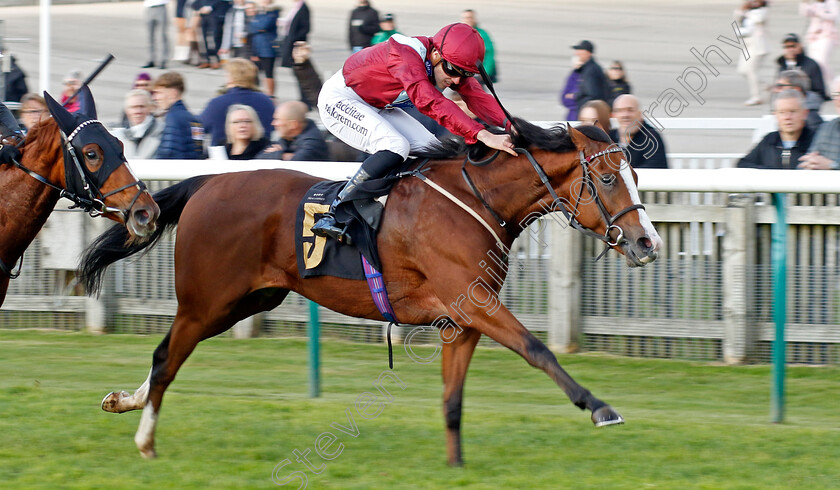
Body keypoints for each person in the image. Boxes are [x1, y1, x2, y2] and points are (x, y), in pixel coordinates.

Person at [312, 22, 516, 242]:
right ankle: (335, 212)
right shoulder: (405, 55)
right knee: (396, 146)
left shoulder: (444, 61)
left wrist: (512, 126)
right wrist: (483, 134)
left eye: (464, 74)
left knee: (434, 149)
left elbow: (477, 97)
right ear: (436, 53)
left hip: (376, 104)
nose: (456, 80)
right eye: (453, 71)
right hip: (340, 100)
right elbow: (432, 103)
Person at [200, 57, 275, 146]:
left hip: (223, 155)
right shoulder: (266, 102)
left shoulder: (216, 103)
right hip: (260, 154)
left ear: (231, 77)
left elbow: (199, 127)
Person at [738, 90, 816, 169]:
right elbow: (743, 165)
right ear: (775, 115)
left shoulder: (816, 141)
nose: (787, 117)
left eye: (793, 111)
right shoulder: (769, 140)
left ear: (805, 113)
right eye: (782, 112)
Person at [152, 71, 205, 159]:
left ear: (173, 93)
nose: (155, 98)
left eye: (159, 92)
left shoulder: (173, 118)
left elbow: (168, 152)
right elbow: (199, 152)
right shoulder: (194, 120)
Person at [257, 100, 329, 161]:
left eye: (277, 119)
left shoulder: (313, 143)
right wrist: (284, 155)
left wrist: (279, 153)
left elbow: (296, 162)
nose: (273, 123)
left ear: (293, 125)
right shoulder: (287, 137)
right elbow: (260, 157)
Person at [609, 94, 668, 169]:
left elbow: (654, 171)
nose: (625, 115)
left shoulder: (652, 139)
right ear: (614, 115)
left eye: (630, 110)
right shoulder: (610, 137)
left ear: (639, 114)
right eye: (620, 111)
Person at [799, 76, 840, 169]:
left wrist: (832, 165)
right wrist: (810, 163)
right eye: (836, 95)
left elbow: (828, 164)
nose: (839, 100)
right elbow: (809, 161)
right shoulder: (826, 128)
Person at [111, 89, 164, 159]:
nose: (137, 111)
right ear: (126, 110)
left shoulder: (163, 132)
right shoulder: (117, 137)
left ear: (150, 108)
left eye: (142, 106)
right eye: (133, 107)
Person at [734, 0, 768, 106]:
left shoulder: (763, 11)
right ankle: (765, 86)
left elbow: (759, 19)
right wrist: (742, 9)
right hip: (747, 46)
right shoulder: (748, 11)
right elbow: (736, 16)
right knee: (742, 70)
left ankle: (756, 97)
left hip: (757, 47)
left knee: (751, 71)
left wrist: (747, 13)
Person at [776, 33, 829, 101]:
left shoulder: (811, 65)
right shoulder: (782, 65)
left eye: (793, 46)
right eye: (787, 47)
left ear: (800, 46)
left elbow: (819, 91)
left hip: (807, 102)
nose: (791, 49)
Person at [800, 0, 839, 89]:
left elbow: (835, 16)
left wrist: (820, 13)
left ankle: (834, 87)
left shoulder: (832, 2)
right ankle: (819, 88)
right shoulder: (814, 4)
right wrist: (804, 3)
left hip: (828, 35)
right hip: (814, 36)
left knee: (822, 61)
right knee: (813, 63)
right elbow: (805, 12)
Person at [278, 0, 311, 103]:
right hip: (290, 42)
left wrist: (296, 41)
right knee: (297, 73)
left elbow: (305, 28)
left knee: (300, 72)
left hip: (295, 45)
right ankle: (303, 97)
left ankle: (305, 98)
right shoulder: (296, 7)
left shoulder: (303, 8)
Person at [248, 0, 280, 95]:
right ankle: (255, 91)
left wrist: (257, 25)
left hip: (268, 47)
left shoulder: (273, 11)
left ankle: (271, 95)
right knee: (253, 72)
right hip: (256, 46)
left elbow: (264, 25)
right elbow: (253, 26)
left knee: (268, 73)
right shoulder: (260, 12)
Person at [571, 40, 609, 115]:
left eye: (580, 50)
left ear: (588, 53)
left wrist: (576, 96)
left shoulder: (590, 70)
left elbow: (592, 94)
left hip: (591, 114)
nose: (576, 53)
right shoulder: (589, 68)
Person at [461, 9, 497, 83]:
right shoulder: (459, 34)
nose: (468, 20)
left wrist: (485, 72)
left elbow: (489, 53)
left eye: (470, 17)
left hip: (478, 72)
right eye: (466, 18)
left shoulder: (482, 34)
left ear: (474, 19)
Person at [194, 0, 231, 69]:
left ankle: (216, 60)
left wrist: (210, 7)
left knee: (215, 38)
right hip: (204, 17)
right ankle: (206, 60)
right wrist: (199, 9)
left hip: (216, 15)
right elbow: (195, 2)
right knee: (203, 39)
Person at [143, 0, 170, 69]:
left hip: (160, 7)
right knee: (150, 36)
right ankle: (150, 59)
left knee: (162, 35)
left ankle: (163, 60)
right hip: (149, 7)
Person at [559, 55, 583, 120]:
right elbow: (564, 99)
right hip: (572, 116)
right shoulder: (572, 76)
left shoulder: (588, 76)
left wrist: (573, 96)